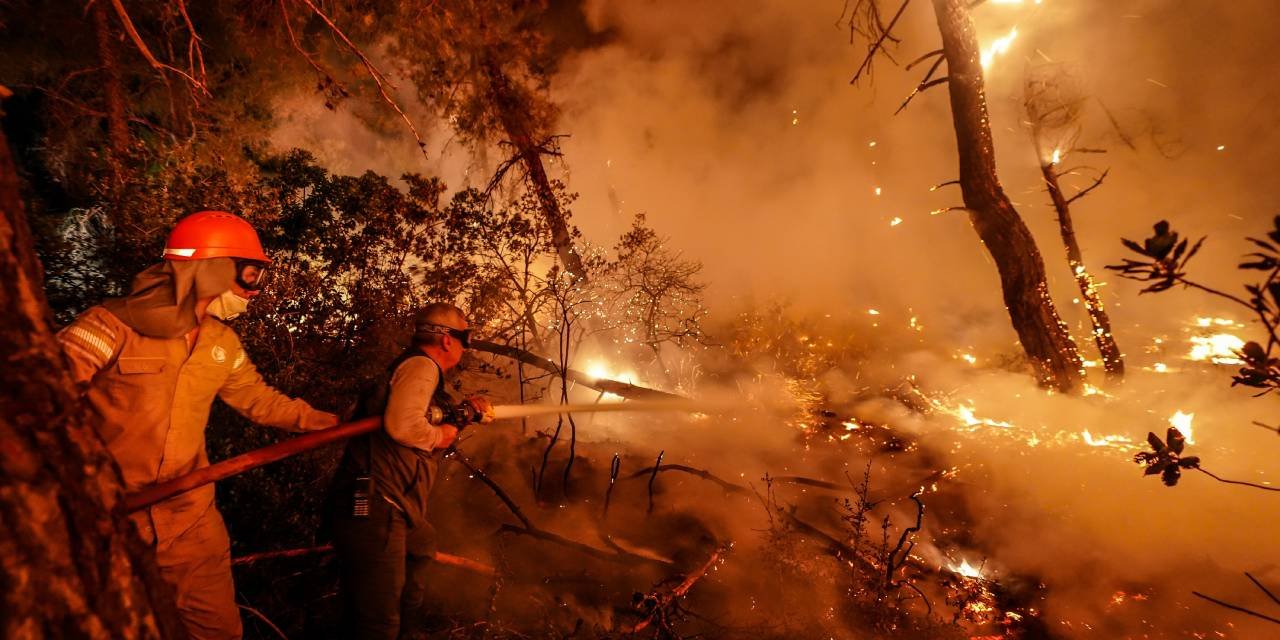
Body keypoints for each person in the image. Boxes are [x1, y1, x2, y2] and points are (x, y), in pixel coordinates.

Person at [56, 210, 339, 639]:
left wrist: (327, 422)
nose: (255, 289)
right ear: (210, 269)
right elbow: (41, 401)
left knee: (217, 632)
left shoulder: (220, 343)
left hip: (190, 524)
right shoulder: (108, 326)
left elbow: (258, 399)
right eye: (250, 273)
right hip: (110, 523)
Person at [327, 302, 494, 640]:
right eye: (465, 338)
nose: (465, 346)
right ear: (447, 340)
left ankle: (406, 628)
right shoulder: (422, 367)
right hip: (374, 506)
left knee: (422, 544)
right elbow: (403, 426)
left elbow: (421, 411)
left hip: (392, 506)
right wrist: (440, 436)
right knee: (377, 623)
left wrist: (468, 411)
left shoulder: (412, 370)